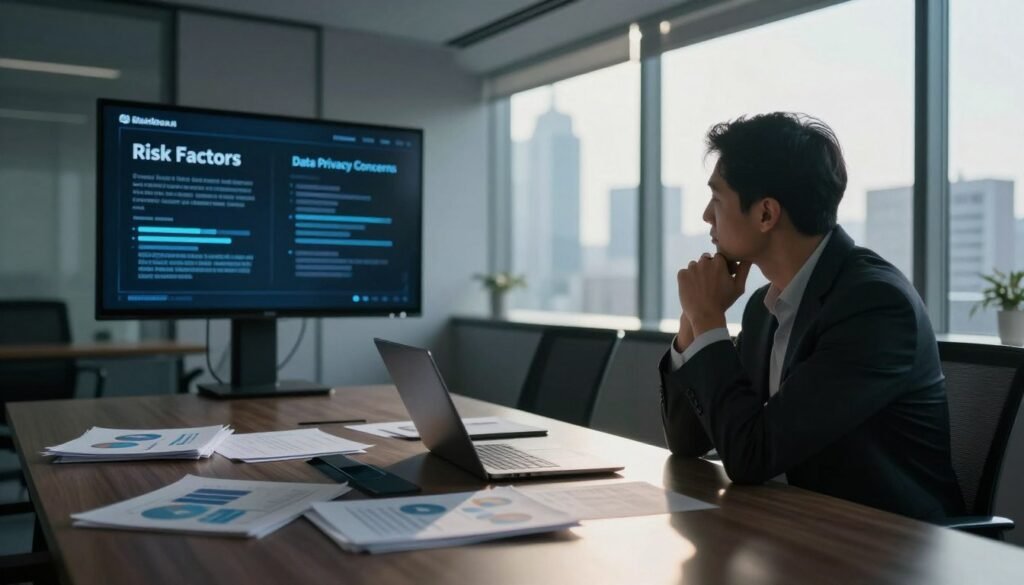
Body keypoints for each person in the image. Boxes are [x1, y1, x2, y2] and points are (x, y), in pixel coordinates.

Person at [659, 112, 964, 520]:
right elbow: (686, 439)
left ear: (766, 214)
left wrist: (709, 316)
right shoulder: (764, 308)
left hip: (889, 550)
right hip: (798, 530)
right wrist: (693, 321)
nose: (706, 216)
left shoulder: (874, 307)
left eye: (716, 199)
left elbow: (751, 456)